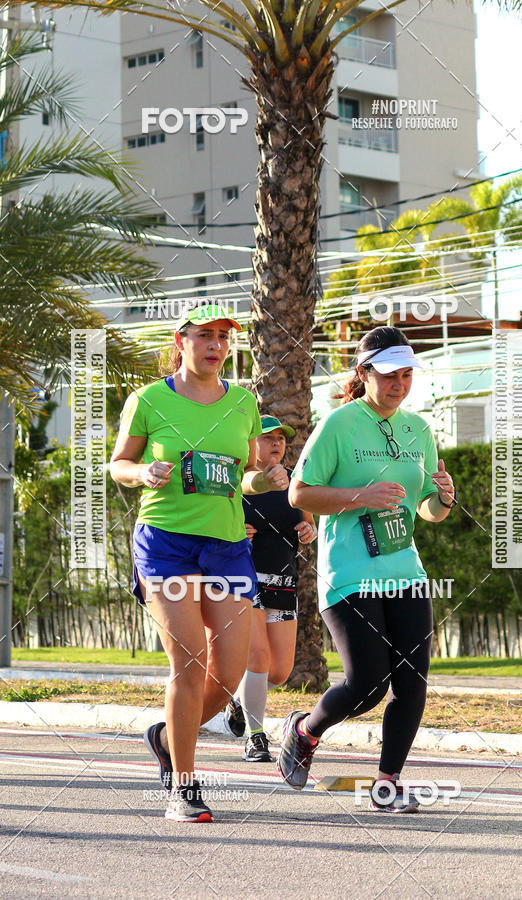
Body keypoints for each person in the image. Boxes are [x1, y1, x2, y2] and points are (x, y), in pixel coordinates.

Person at [110, 302, 288, 823]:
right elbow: (118, 463)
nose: (215, 345)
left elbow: (247, 473)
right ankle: (183, 787)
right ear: (181, 341)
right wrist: (142, 473)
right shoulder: (147, 399)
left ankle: (168, 736)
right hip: (166, 542)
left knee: (229, 672)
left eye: (222, 337)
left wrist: (267, 481)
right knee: (187, 664)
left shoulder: (242, 402)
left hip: (227, 545)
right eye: (204, 335)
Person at [277, 325, 457, 813]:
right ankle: (304, 730)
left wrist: (443, 499)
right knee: (368, 684)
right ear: (363, 373)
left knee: (412, 681)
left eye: (406, 374)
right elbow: (299, 493)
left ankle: (388, 783)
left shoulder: (419, 429)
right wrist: (360, 497)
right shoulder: (339, 424)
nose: (399, 384)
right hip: (349, 572)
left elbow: (426, 510)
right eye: (388, 374)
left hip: (405, 571)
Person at [223, 415, 317, 761]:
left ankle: (236, 698)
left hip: (284, 580)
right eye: (267, 438)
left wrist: (309, 533)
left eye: (281, 438)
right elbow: (214, 522)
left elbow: (307, 525)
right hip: (245, 578)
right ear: (250, 443)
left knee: (279, 671)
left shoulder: (295, 482)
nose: (276, 443)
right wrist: (235, 532)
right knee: (258, 658)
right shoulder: (237, 482)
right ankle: (256, 736)